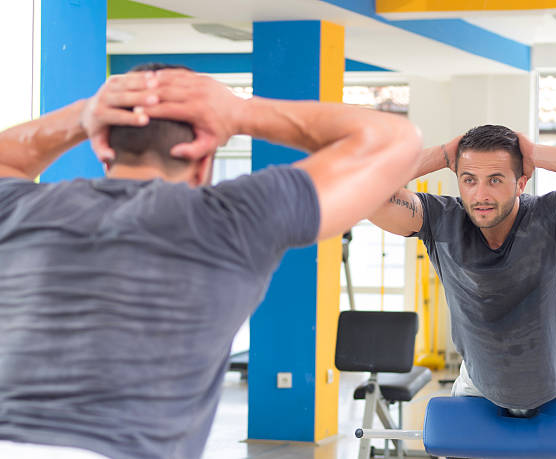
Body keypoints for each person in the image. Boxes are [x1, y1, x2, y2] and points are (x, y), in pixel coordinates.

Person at [0, 64, 422, 459]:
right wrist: (239, 112)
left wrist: (85, 113)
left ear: (102, 145)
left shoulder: (20, 208)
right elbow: (395, 142)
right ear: (204, 161)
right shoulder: (231, 217)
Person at [370, 124, 556, 416]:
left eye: (495, 180)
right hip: (479, 387)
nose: (480, 194)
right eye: (469, 180)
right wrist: (442, 155)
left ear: (521, 182)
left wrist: (537, 153)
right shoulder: (439, 220)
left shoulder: (553, 218)